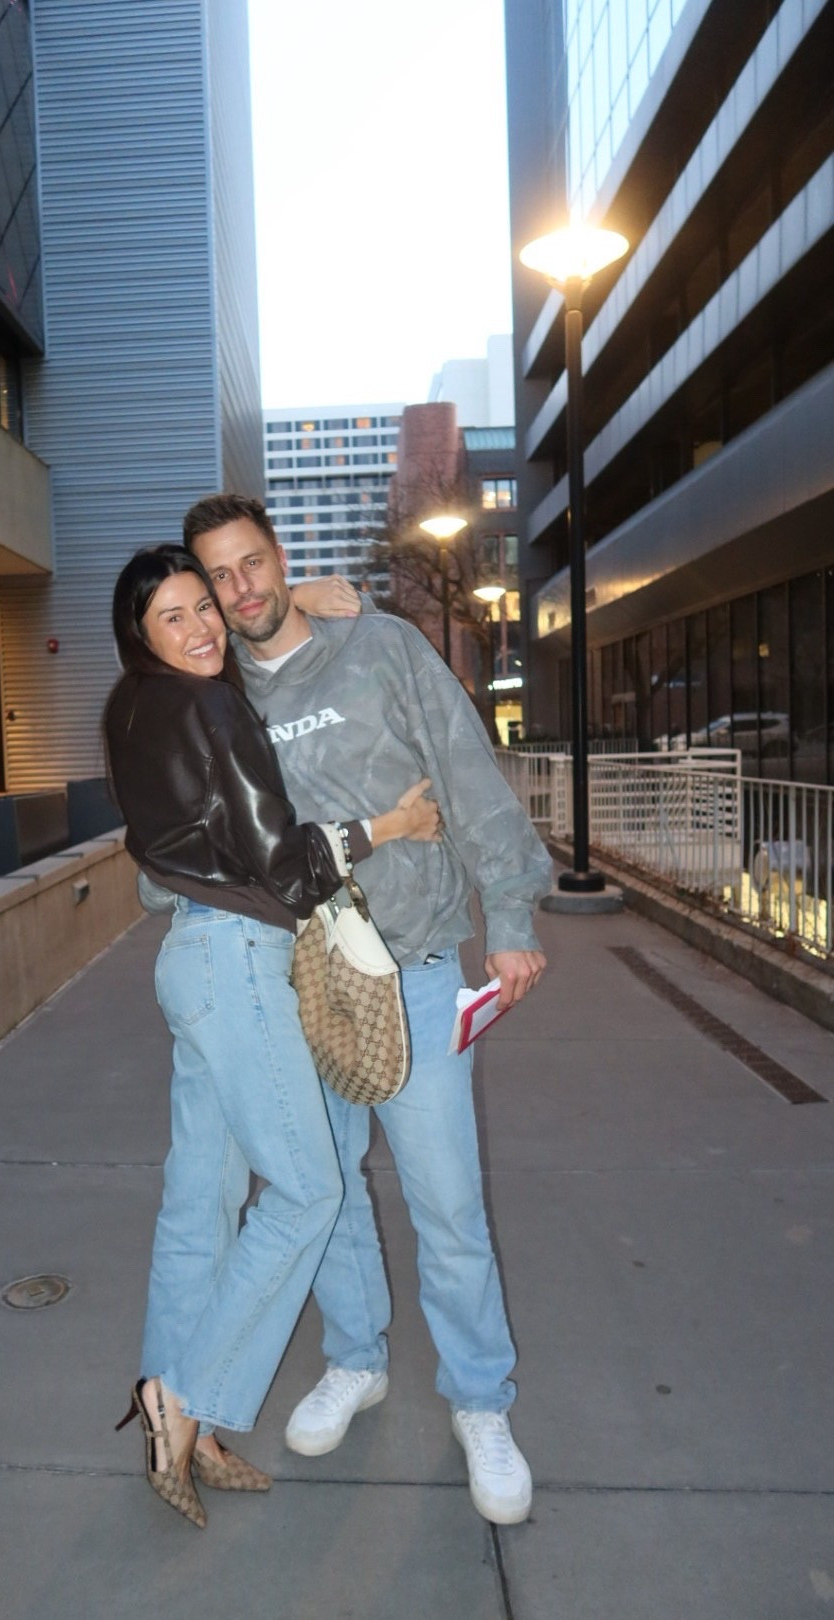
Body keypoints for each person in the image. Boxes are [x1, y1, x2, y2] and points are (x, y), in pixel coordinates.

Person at [182, 493, 552, 1526]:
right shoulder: (217, 702)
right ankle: (356, 1359)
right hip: (300, 982)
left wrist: (511, 915)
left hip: (419, 965)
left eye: (257, 563)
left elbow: (468, 771)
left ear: (280, 552)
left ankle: (481, 1400)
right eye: (222, 575)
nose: (244, 587)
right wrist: (293, 596)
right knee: (325, 1189)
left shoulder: (379, 647)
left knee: (447, 1204)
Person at [103, 544, 441, 1529]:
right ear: (145, 636)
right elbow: (290, 874)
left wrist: (289, 596)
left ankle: (181, 1417)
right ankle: (186, 1399)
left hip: (192, 963)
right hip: (242, 967)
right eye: (175, 617)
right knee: (307, 1190)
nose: (204, 625)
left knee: (197, 1203)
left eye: (204, 606)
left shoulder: (130, 708)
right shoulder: (208, 706)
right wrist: (387, 826)